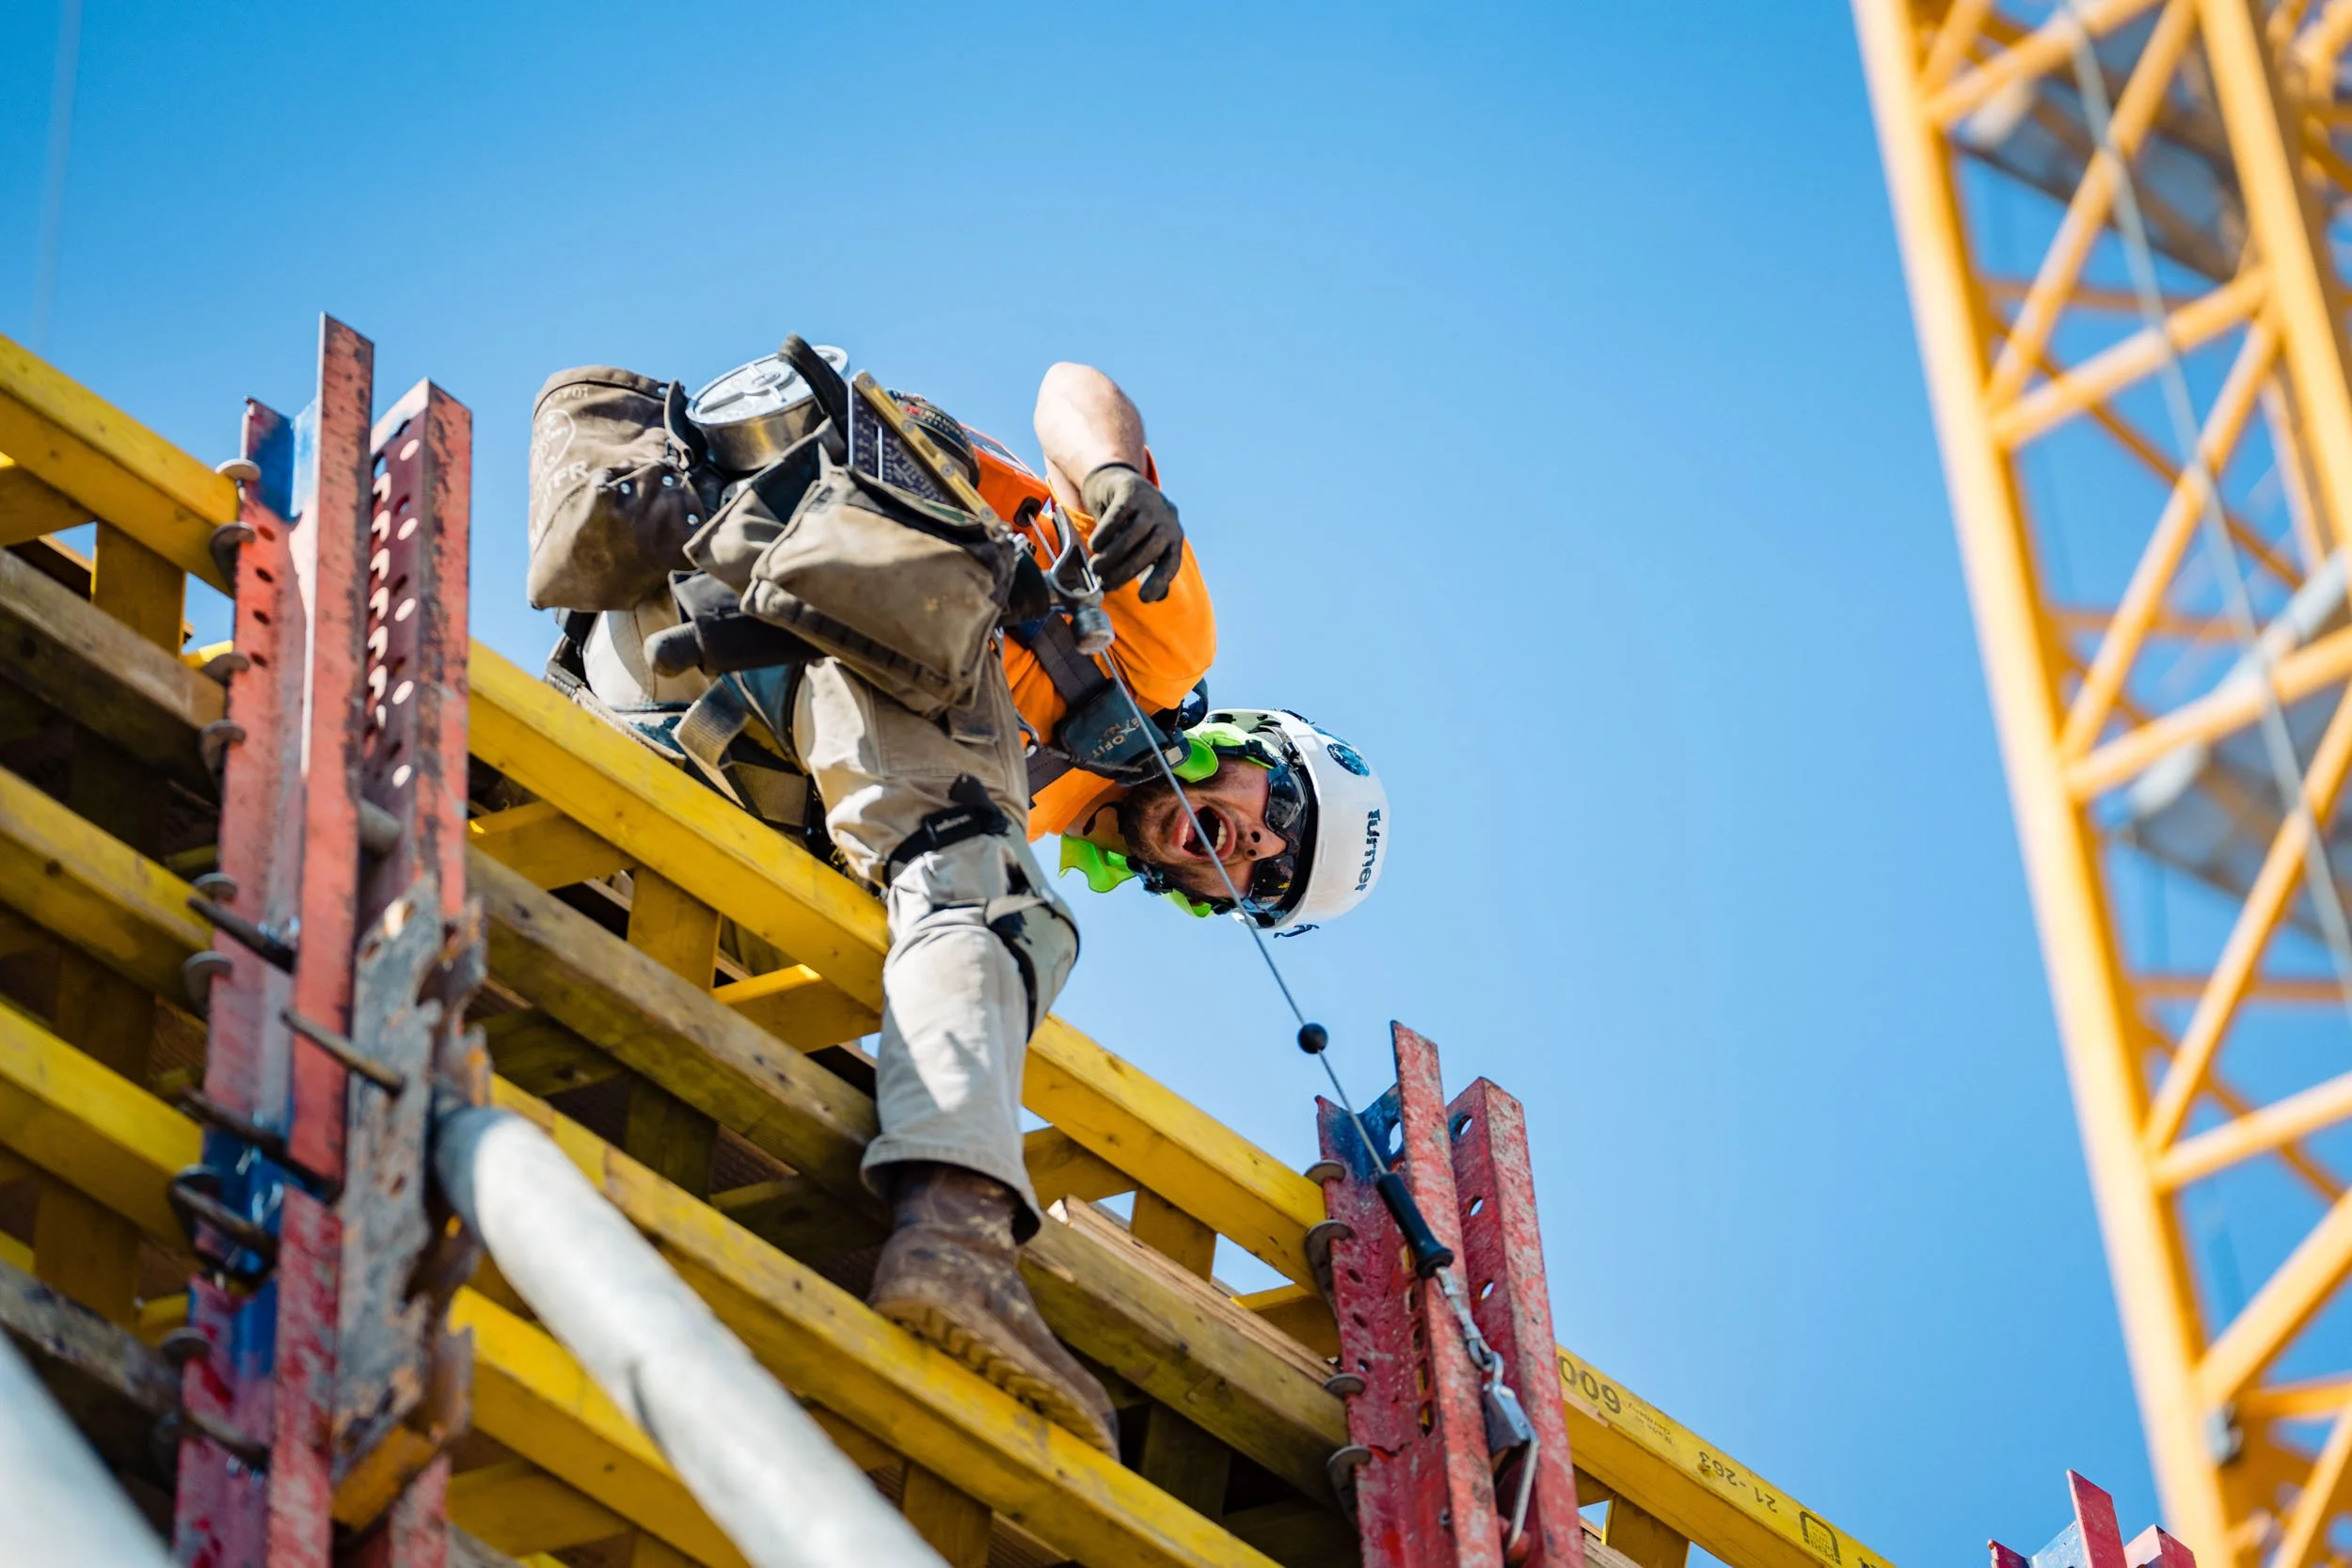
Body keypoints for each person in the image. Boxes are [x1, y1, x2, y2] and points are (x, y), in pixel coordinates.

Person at [556, 356, 1390, 1452]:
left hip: (667, 694)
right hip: (798, 600)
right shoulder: (1155, 644)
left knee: (874, 914)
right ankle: (954, 1232)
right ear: (1246, 743)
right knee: (991, 902)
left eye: (1268, 876)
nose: (1256, 841)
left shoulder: (1030, 804)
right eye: (1278, 799)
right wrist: (1114, 478)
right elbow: (1067, 383)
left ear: (1206, 896)